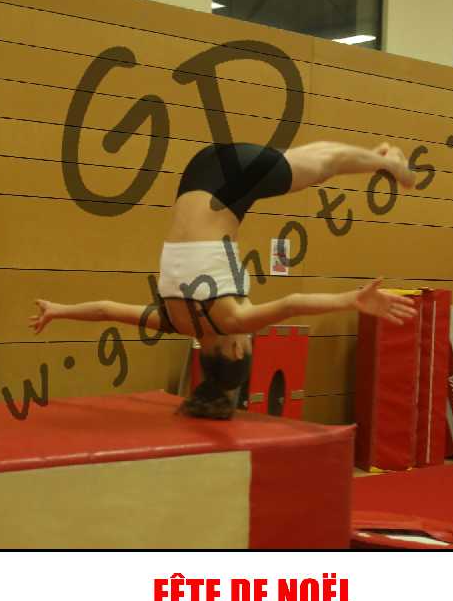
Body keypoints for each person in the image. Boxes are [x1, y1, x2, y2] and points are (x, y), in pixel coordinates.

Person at [30, 141, 418, 419]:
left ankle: (390, 165)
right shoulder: (174, 322)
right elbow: (105, 310)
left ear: (234, 351)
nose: (248, 337)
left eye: (248, 344)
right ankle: (378, 159)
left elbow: (291, 304)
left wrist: (350, 300)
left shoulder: (231, 320)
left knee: (321, 165)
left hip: (225, 187)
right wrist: (59, 310)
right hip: (195, 176)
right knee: (301, 164)